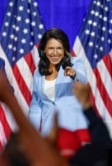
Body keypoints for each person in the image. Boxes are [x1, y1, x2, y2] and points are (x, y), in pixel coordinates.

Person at [28, 28, 91, 158]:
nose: (55, 53)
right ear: (44, 50)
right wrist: (31, 135)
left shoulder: (75, 63)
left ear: (65, 50)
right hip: (48, 133)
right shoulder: (38, 73)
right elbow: (36, 107)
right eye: (51, 48)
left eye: (59, 48)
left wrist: (74, 75)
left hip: (73, 130)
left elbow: (83, 80)